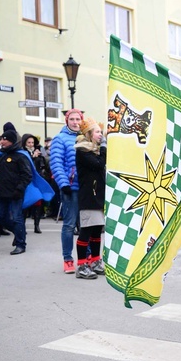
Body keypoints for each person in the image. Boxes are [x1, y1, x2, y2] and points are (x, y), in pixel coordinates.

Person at [0, 129, 32, 255]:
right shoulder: (1, 155)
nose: (2, 141)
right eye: (2, 139)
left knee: (17, 218)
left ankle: (21, 244)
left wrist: (19, 189)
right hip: (1, 192)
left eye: (5, 139)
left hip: (15, 192)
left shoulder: (21, 156)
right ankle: (19, 232)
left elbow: (27, 175)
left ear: (11, 141)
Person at [50, 108, 84, 273]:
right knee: (69, 225)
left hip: (86, 188)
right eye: (72, 119)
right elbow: (56, 163)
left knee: (86, 225)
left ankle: (86, 258)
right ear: (67, 121)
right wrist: (64, 184)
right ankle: (68, 259)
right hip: (70, 188)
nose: (76, 122)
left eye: (78, 119)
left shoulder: (86, 137)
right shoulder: (60, 139)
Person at [74, 118, 107, 279]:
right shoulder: (82, 150)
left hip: (98, 196)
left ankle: (95, 261)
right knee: (86, 231)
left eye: (101, 132)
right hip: (88, 196)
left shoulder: (96, 149)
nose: (100, 135)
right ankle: (81, 265)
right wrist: (104, 149)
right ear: (89, 134)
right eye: (97, 132)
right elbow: (98, 164)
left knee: (96, 231)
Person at [21, 133, 47, 234]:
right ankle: (22, 226)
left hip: (36, 180)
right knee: (26, 203)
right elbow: (26, 165)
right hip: (26, 181)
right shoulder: (22, 152)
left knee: (38, 203)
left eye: (32, 142)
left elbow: (43, 165)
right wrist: (33, 157)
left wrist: (39, 157)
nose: (31, 144)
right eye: (29, 142)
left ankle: (37, 225)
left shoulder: (38, 152)